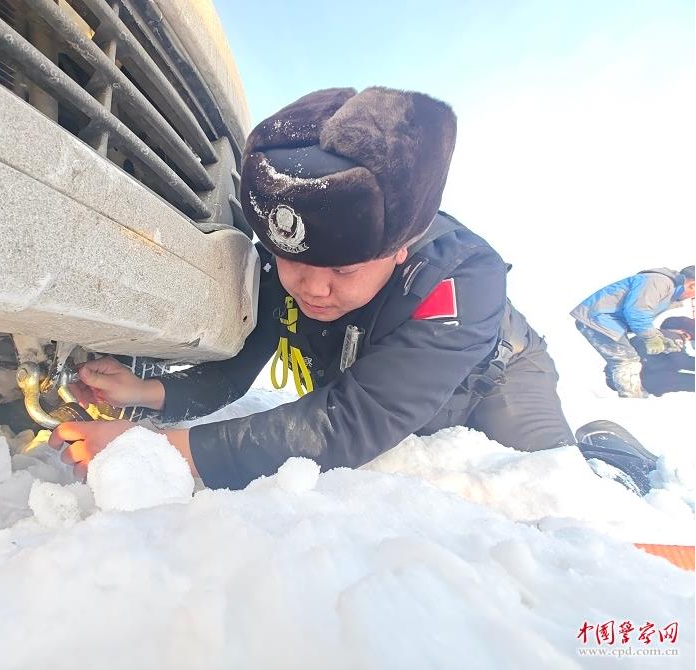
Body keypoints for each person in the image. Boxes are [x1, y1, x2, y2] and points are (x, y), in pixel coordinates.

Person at [46, 87, 621, 491]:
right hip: (379, 390)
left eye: (344, 270)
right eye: (292, 262)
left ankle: (614, 454)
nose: (312, 289)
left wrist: (158, 451)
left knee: (553, 487)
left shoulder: (462, 276)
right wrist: (144, 393)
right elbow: (238, 369)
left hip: (493, 381)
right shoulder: (291, 271)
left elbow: (356, 419)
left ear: (399, 249)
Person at [570, 265, 696, 398]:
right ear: (692, 285)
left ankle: (633, 395)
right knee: (627, 361)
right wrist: (651, 338)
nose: (692, 297)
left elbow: (640, 315)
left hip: (609, 321)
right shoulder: (659, 282)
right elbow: (638, 312)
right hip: (600, 318)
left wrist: (660, 338)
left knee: (627, 359)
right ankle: (632, 400)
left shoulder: (666, 289)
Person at [634, 316, 694, 396]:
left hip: (639, 375)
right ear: (680, 331)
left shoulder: (654, 335)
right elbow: (682, 362)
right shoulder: (671, 335)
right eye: (686, 336)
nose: (686, 341)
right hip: (645, 377)